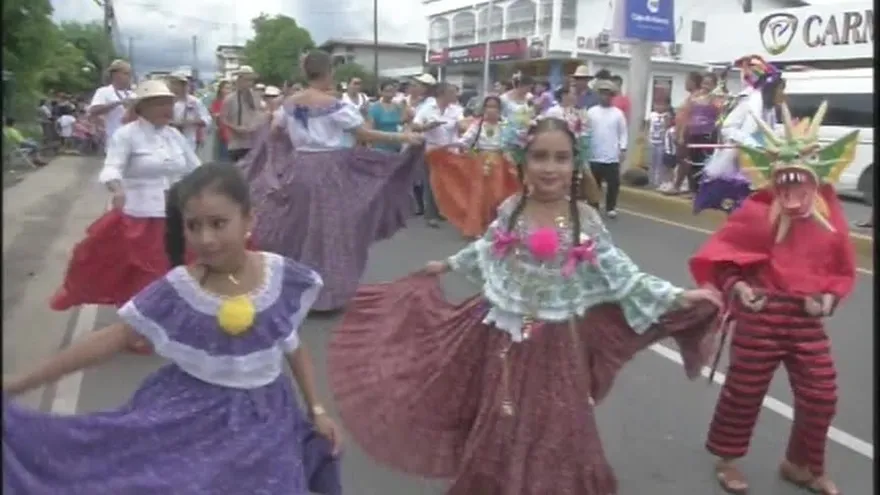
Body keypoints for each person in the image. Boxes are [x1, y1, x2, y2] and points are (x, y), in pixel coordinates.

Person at [328, 116, 723, 495]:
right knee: (503, 411)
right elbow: (487, 248)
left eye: (561, 158)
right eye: (540, 157)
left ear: (575, 163)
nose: (550, 168)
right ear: (523, 161)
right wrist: (447, 263)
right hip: (502, 334)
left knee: (557, 419)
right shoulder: (511, 209)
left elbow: (622, 274)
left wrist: (677, 296)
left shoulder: (582, 218)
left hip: (557, 342)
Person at [4, 163, 343, 494]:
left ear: (249, 220)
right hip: (189, 413)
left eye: (218, 223)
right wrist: (20, 382)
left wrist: (317, 411)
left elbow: (292, 345)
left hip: (268, 417)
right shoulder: (180, 289)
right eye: (194, 226)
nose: (206, 238)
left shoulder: (282, 277)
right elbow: (113, 337)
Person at [689, 102, 858, 495]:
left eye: (802, 181)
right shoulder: (755, 213)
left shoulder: (830, 218)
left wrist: (828, 301)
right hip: (761, 314)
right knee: (744, 392)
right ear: (773, 179)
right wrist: (739, 289)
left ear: (816, 178)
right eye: (785, 182)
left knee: (822, 395)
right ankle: (727, 460)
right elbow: (726, 263)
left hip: (804, 319)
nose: (793, 191)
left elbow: (840, 273)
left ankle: (801, 464)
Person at [248, 49, 423, 312]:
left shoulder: (290, 102)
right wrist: (404, 138)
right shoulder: (333, 105)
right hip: (331, 170)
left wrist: (283, 156)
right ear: (328, 72)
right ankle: (325, 294)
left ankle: (294, 286)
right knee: (331, 231)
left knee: (301, 227)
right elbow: (363, 133)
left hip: (299, 168)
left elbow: (275, 130)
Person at [50, 80, 201, 348]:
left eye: (169, 103)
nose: (167, 108)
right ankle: (140, 328)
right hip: (140, 214)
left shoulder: (174, 136)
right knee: (148, 272)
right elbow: (111, 168)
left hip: (175, 213)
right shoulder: (127, 135)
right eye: (159, 103)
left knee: (177, 270)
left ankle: (161, 323)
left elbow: (195, 168)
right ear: (143, 107)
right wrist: (117, 188)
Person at [694, 57, 786, 213]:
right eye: (780, 89)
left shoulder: (770, 110)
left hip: (761, 164)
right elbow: (727, 128)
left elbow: (769, 134)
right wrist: (751, 143)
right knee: (739, 207)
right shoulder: (747, 103)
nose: (782, 93)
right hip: (740, 164)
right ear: (770, 88)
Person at [428, 95, 518, 238]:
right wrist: (450, 146)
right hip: (480, 162)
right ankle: (478, 228)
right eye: (488, 107)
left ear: (500, 110)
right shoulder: (478, 124)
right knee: (480, 196)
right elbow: (466, 141)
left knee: (499, 195)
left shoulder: (505, 125)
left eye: (495, 107)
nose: (491, 110)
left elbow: (512, 142)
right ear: (483, 109)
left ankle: (497, 226)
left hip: (500, 163)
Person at [413, 82, 464, 228]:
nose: (455, 95)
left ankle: (444, 210)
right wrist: (427, 127)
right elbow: (415, 126)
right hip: (432, 150)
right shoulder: (427, 108)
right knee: (431, 183)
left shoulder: (456, 109)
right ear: (442, 94)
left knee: (447, 182)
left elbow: (462, 124)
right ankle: (431, 215)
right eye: (452, 92)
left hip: (450, 151)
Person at [667, 71, 719, 196]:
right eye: (704, 83)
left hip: (707, 134)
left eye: (709, 84)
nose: (706, 86)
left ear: (714, 85)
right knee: (690, 161)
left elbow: (720, 116)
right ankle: (692, 189)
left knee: (702, 162)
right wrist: (681, 134)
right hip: (692, 132)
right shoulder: (694, 98)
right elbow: (687, 116)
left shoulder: (716, 99)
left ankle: (700, 190)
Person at [586, 79, 628, 218]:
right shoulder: (591, 112)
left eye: (608, 94)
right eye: (602, 94)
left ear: (612, 96)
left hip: (611, 155)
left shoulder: (618, 113)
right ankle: (594, 205)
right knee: (594, 182)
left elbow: (623, 132)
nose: (605, 97)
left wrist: (623, 148)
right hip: (594, 153)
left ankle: (611, 207)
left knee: (613, 183)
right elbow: (586, 131)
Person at [88, 59, 135, 149]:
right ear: (115, 75)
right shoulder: (104, 91)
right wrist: (118, 103)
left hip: (133, 141)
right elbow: (93, 110)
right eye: (126, 73)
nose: (129, 77)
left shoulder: (132, 94)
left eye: (130, 74)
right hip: (114, 140)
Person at [220, 65, 262, 161]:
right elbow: (223, 118)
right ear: (239, 80)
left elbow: (259, 115)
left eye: (250, 80)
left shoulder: (256, 97)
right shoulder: (229, 99)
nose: (248, 83)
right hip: (236, 144)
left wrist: (254, 127)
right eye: (245, 79)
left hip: (253, 143)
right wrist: (235, 128)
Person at [168, 71, 212, 153]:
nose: (176, 87)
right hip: (169, 141)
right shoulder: (166, 101)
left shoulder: (194, 102)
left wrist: (191, 122)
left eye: (182, 84)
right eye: (174, 83)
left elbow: (207, 119)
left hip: (189, 141)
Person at [366, 80, 405, 152]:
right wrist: (369, 146)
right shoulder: (374, 108)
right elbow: (369, 129)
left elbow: (402, 122)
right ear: (381, 92)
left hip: (395, 145)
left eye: (392, 91)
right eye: (387, 91)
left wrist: (405, 106)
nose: (389, 94)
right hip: (379, 146)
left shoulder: (397, 107)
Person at [647, 97, 672, 188]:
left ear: (667, 106)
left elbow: (667, 126)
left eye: (662, 105)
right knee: (651, 162)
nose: (659, 107)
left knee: (660, 163)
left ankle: (659, 182)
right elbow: (648, 126)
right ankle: (651, 181)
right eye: (657, 104)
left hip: (662, 144)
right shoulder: (652, 115)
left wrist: (665, 118)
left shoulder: (667, 115)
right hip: (652, 141)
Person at [210, 79, 232, 161]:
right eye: (226, 88)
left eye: (230, 88)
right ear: (221, 90)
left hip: (234, 134)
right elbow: (214, 115)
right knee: (223, 158)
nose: (228, 90)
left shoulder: (234, 101)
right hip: (222, 133)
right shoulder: (217, 102)